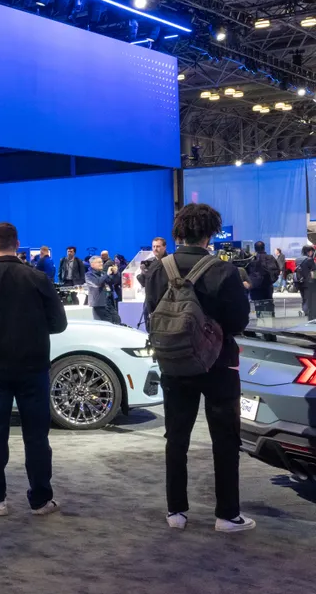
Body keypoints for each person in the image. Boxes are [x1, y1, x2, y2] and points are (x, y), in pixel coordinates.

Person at [143, 203, 254, 532]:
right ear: (210, 231)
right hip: (219, 363)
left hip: (173, 362)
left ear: (179, 231)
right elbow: (238, 321)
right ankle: (227, 515)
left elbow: (153, 314)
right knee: (225, 438)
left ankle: (176, 512)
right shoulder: (223, 270)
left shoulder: (157, 269)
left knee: (176, 437)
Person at [0, 222, 66, 517]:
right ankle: (41, 499)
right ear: (17, 245)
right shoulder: (38, 278)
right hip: (33, 369)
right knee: (37, 436)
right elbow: (59, 324)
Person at [246, 241, 280, 318]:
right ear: (264, 247)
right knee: (268, 307)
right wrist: (270, 281)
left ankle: (261, 325)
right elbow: (276, 271)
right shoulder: (270, 258)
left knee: (259, 309)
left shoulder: (251, 259)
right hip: (267, 287)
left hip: (255, 289)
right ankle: (269, 325)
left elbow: (247, 273)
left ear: (255, 249)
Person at [85, 256, 121, 324]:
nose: (101, 263)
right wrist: (107, 274)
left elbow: (113, 281)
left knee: (117, 320)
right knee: (107, 324)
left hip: (109, 302)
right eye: (99, 262)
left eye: (101, 262)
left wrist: (116, 273)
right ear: (92, 264)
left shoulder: (102, 273)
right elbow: (97, 283)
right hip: (99, 304)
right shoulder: (88, 275)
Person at [296, 246, 315, 319]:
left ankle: (304, 310)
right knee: (308, 298)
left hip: (299, 281)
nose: (312, 253)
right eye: (311, 251)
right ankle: (304, 311)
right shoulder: (310, 260)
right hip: (308, 282)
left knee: (303, 297)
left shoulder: (297, 260)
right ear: (308, 252)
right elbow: (314, 269)